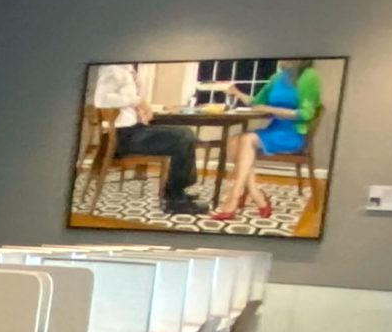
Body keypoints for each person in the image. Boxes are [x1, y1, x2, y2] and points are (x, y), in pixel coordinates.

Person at [91, 62, 205, 216]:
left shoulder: (128, 69)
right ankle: (174, 200)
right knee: (182, 137)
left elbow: (126, 103)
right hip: (122, 137)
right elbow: (101, 99)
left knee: (186, 133)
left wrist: (143, 108)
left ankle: (177, 191)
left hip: (133, 130)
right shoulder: (113, 68)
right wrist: (137, 102)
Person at [214, 59, 323, 220]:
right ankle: (257, 195)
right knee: (233, 141)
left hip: (293, 132)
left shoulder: (309, 76)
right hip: (274, 129)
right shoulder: (276, 77)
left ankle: (234, 196)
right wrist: (236, 92)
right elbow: (257, 103)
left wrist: (269, 109)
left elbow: (306, 114)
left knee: (247, 139)